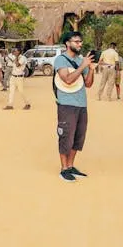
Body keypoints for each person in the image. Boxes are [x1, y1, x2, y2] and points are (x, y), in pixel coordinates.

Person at [53, 31, 95, 182]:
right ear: (67, 43)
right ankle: (64, 169)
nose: (80, 44)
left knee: (79, 136)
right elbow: (68, 79)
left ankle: (71, 166)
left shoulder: (80, 60)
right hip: (66, 105)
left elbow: (88, 84)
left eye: (80, 41)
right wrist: (82, 65)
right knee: (66, 136)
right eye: (76, 41)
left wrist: (90, 69)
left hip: (81, 104)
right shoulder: (60, 60)